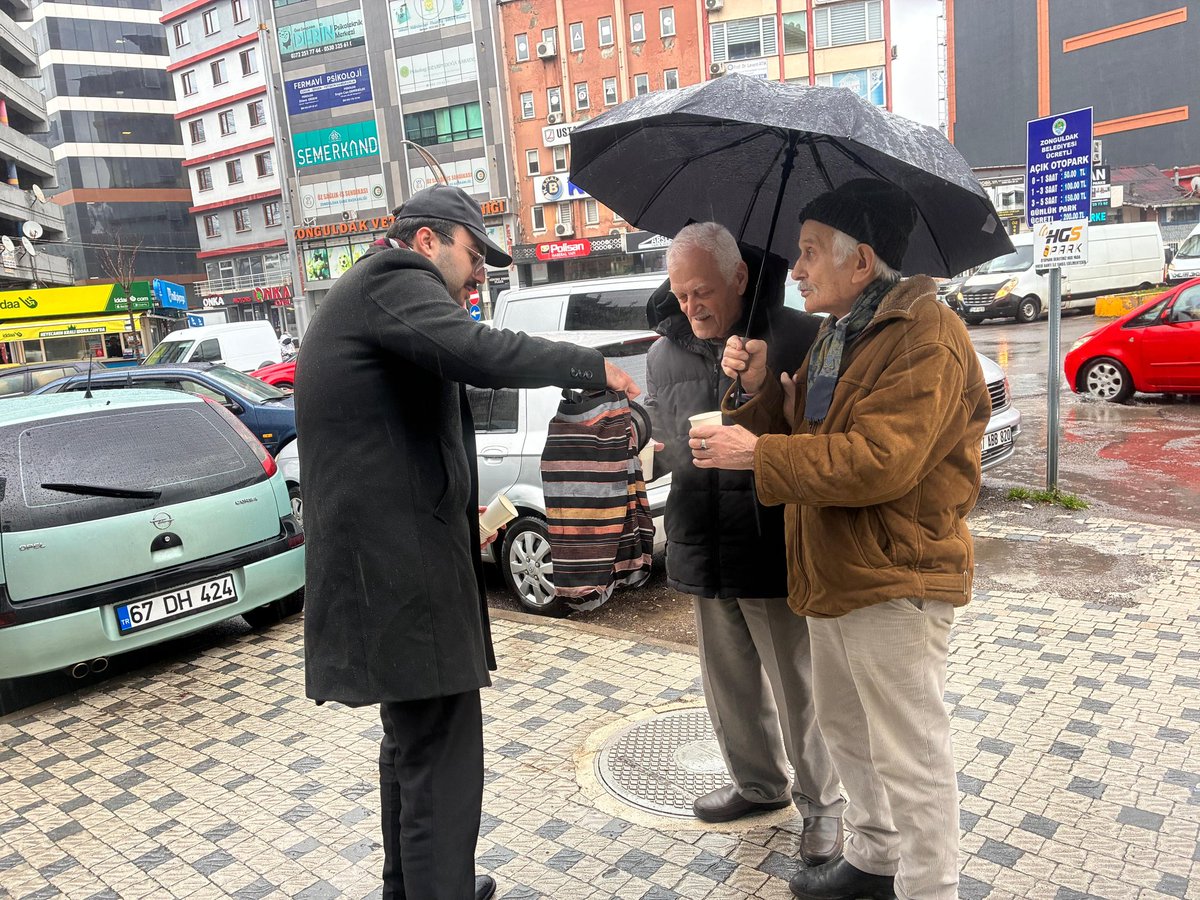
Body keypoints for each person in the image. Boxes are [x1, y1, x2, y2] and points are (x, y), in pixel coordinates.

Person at [295, 184, 639, 900]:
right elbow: (476, 352)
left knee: (414, 747)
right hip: (399, 573)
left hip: (393, 565)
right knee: (442, 758)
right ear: (429, 241)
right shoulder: (393, 281)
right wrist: (584, 364)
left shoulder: (376, 294)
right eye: (474, 252)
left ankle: (418, 886)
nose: (481, 270)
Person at [692, 179, 990, 900]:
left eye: (809, 252)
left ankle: (928, 889)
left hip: (896, 578)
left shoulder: (923, 334)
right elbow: (816, 435)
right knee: (848, 732)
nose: (795, 269)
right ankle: (873, 860)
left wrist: (757, 456)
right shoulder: (843, 330)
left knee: (910, 755)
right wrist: (763, 391)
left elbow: (879, 461)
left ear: (861, 262)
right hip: (833, 573)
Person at [644, 222, 844, 866]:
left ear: (737, 279)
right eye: (680, 295)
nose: (691, 307)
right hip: (701, 534)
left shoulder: (797, 334)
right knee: (727, 683)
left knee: (798, 687)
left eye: (702, 291)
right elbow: (671, 443)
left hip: (772, 538)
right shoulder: (663, 353)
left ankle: (824, 807)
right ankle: (758, 785)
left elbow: (822, 434)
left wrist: (758, 391)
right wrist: (645, 445)